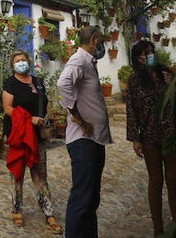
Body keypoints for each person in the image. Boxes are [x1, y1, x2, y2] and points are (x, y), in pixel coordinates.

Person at [56, 25, 112, 238]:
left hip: (94, 139)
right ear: (93, 41)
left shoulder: (89, 62)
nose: (103, 45)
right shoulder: (79, 60)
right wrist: (77, 115)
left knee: (91, 198)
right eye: (101, 41)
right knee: (82, 197)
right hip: (83, 140)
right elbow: (63, 84)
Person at [125, 39, 176, 237]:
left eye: (151, 52)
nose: (149, 56)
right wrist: (135, 138)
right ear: (138, 58)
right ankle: (158, 229)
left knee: (173, 181)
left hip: (171, 132)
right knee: (155, 181)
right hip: (149, 135)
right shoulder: (134, 80)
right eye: (144, 53)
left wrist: (173, 84)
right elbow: (131, 109)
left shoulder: (166, 73)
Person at [2, 49, 63, 234]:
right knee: (17, 174)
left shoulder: (38, 82)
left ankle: (48, 212)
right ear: (13, 64)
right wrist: (28, 120)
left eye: (23, 60)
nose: (21, 62)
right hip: (18, 135)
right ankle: (17, 210)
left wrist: (47, 113)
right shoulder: (10, 83)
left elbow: (46, 102)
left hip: (37, 136)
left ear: (29, 62)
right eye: (17, 60)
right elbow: (7, 108)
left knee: (40, 174)